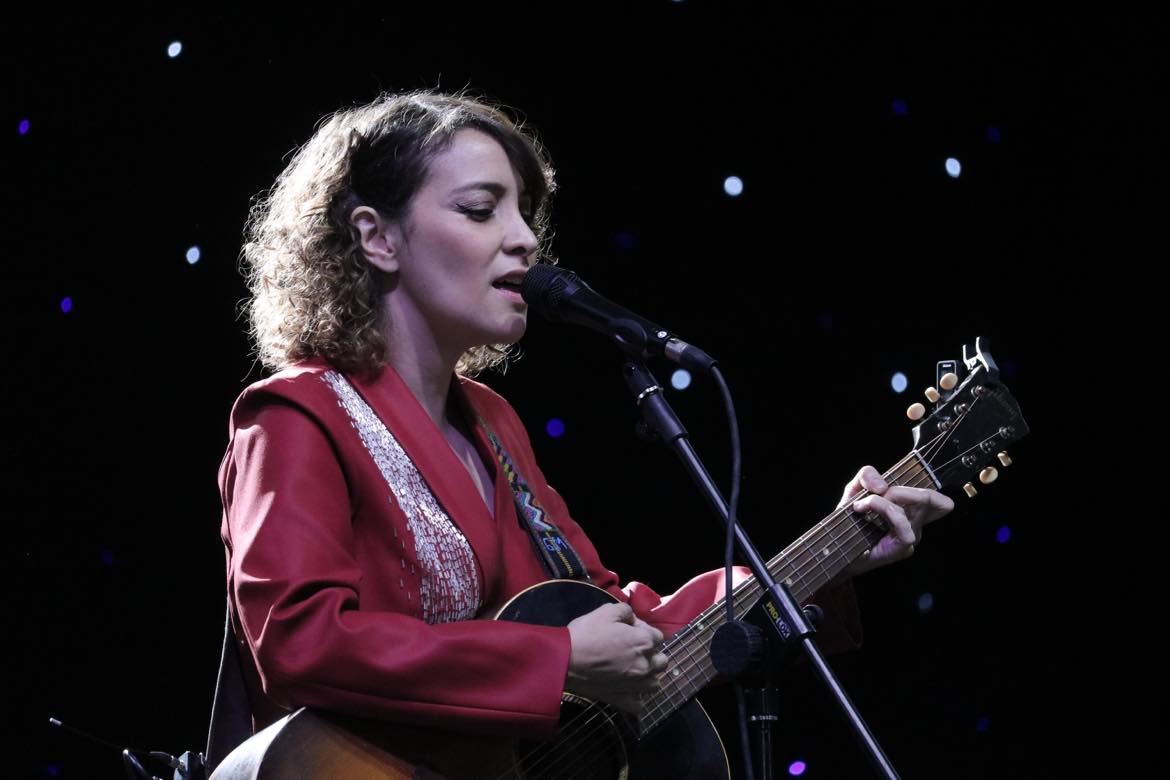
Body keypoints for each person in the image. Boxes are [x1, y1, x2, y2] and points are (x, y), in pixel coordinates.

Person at [216, 89, 954, 768]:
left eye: (524, 213)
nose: (524, 240)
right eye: (481, 209)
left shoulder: (493, 423)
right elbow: (300, 640)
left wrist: (834, 554)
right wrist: (552, 660)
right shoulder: (297, 412)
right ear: (377, 238)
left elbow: (625, 624)